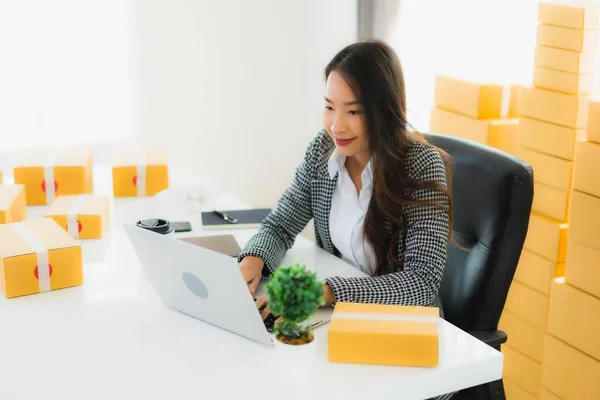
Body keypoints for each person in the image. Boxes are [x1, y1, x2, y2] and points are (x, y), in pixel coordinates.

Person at [240, 39, 454, 400]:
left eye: (353, 111)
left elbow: (421, 284)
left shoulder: (419, 164)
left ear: (383, 111)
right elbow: (280, 224)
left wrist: (321, 292)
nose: (336, 125)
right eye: (329, 107)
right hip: (338, 326)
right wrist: (254, 258)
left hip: (399, 339)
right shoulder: (322, 152)